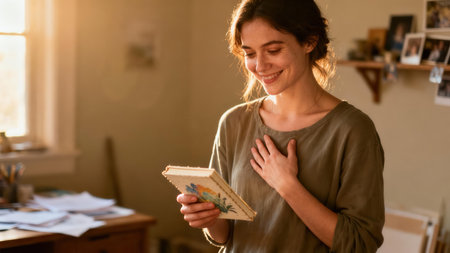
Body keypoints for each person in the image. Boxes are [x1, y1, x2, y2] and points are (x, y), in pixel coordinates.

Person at [176, 0, 385, 252]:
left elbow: (360, 244)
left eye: (273, 50)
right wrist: (208, 219)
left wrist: (288, 186)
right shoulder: (233, 123)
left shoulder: (352, 131)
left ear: (309, 41)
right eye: (250, 53)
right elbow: (226, 236)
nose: (260, 66)